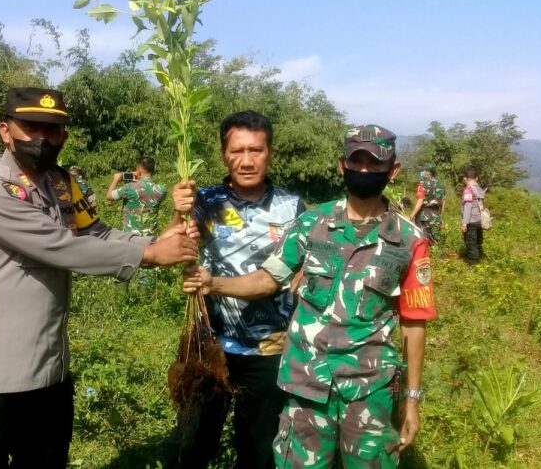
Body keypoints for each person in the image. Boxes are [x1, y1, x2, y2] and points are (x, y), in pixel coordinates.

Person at [0, 87, 198, 469]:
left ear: (64, 136)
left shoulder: (61, 182)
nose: (42, 138)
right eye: (30, 126)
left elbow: (98, 234)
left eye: (53, 129)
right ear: (5, 131)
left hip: (47, 377)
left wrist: (157, 240)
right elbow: (60, 245)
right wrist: (150, 254)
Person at [184, 124, 437, 468]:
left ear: (393, 170)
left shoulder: (411, 240)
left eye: (375, 164)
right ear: (341, 165)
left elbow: (414, 324)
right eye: (356, 162)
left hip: (370, 392)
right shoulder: (310, 223)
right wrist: (212, 283)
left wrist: (412, 401)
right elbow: (268, 279)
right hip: (306, 384)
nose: (363, 171)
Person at [164, 110, 305, 469]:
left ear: (270, 152)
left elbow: (294, 275)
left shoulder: (293, 208)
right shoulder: (206, 200)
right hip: (211, 344)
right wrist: (177, 212)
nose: (246, 161)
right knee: (194, 442)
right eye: (237, 151)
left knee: (258, 448)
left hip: (270, 348)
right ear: (223, 154)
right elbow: (167, 246)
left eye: (255, 150)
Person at [107, 157, 167, 237]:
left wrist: (116, 179)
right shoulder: (162, 190)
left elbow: (109, 196)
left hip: (132, 238)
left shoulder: (128, 188)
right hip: (151, 238)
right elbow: (146, 191)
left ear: (138, 170)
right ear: (152, 171)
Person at [410, 164, 446, 244]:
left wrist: (411, 215)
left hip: (424, 216)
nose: (423, 172)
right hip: (436, 215)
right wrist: (440, 217)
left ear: (429, 172)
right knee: (436, 241)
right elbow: (443, 203)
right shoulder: (441, 185)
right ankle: (438, 255)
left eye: (425, 171)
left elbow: (420, 201)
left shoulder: (423, 184)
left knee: (422, 240)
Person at [460, 168, 486, 264]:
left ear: (465, 178)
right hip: (480, 221)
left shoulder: (468, 189)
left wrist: (464, 223)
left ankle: (473, 264)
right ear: (477, 178)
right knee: (478, 242)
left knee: (471, 243)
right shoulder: (480, 189)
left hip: (471, 221)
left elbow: (468, 206)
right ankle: (480, 258)